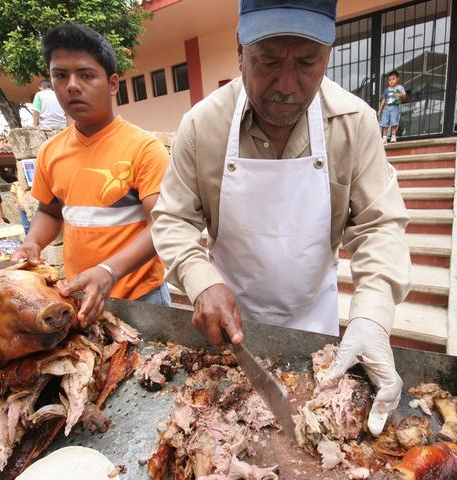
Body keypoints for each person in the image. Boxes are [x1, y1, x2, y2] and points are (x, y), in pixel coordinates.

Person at [151, 0, 411, 435]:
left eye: (307, 63)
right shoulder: (202, 125)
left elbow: (379, 225)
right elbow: (173, 219)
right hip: (229, 330)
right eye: (269, 61)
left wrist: (372, 314)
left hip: (314, 323)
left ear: (328, 55)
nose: (287, 85)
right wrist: (201, 281)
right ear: (240, 50)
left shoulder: (354, 123)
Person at [11, 23, 171, 326]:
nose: (72, 86)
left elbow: (162, 225)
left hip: (141, 298)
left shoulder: (144, 149)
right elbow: (49, 212)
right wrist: (33, 242)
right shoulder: (50, 152)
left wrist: (109, 271)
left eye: (86, 75)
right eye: (60, 75)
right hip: (81, 296)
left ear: (112, 84)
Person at [377, 70, 407, 144]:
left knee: (394, 121)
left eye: (393, 79)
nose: (391, 81)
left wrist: (400, 95)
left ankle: (393, 136)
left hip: (395, 107)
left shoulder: (400, 88)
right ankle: (384, 137)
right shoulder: (387, 90)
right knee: (384, 122)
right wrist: (380, 109)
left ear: (397, 79)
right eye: (389, 80)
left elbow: (405, 97)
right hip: (386, 108)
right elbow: (384, 100)